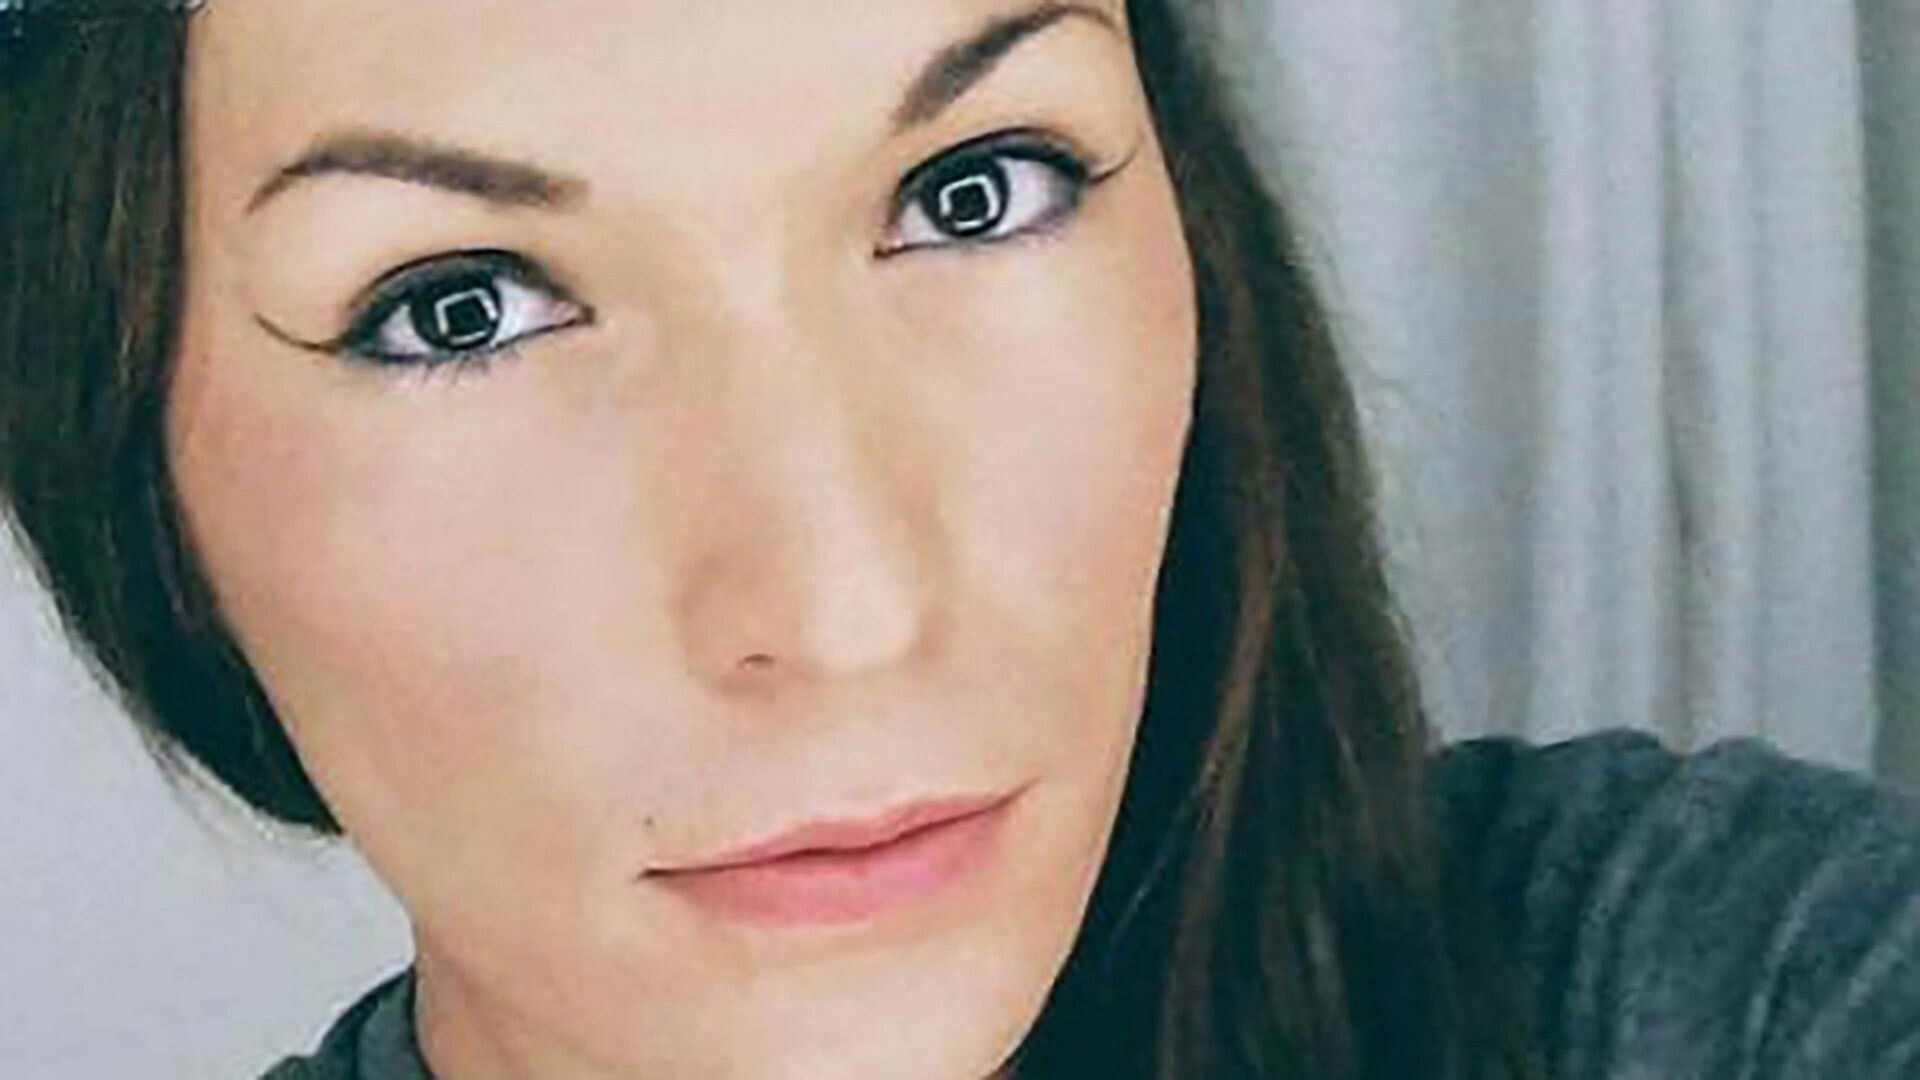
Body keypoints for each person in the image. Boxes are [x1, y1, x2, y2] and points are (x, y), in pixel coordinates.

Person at [2, 2, 1917, 1078]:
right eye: (463, 307)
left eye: (975, 190)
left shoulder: (1695, 988)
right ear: (141, 489)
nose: (845, 601)